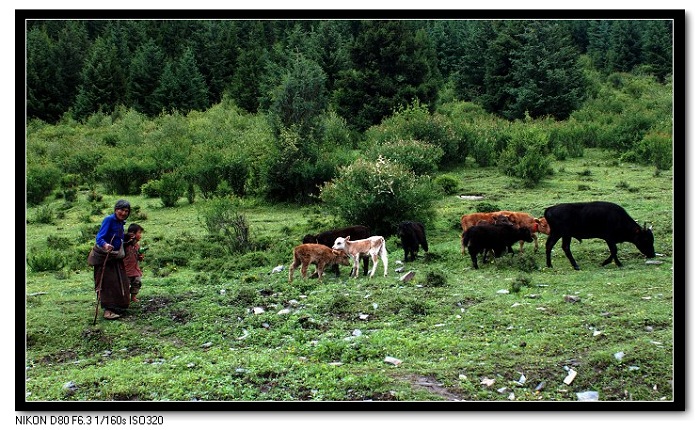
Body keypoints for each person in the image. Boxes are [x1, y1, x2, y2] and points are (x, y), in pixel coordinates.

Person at [88, 199, 132, 320]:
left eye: (126, 211)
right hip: (105, 258)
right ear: (115, 209)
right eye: (121, 210)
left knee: (120, 282)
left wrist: (127, 237)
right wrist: (105, 245)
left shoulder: (120, 223)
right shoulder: (109, 220)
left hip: (115, 257)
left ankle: (118, 306)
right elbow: (99, 237)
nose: (123, 213)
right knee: (108, 283)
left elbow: (118, 237)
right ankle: (108, 311)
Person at [123, 223, 145, 303]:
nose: (140, 235)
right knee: (125, 285)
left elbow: (139, 257)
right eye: (139, 233)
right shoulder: (125, 245)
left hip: (135, 269)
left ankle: (133, 297)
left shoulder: (137, 246)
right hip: (126, 270)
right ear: (133, 234)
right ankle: (125, 298)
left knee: (137, 282)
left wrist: (141, 257)